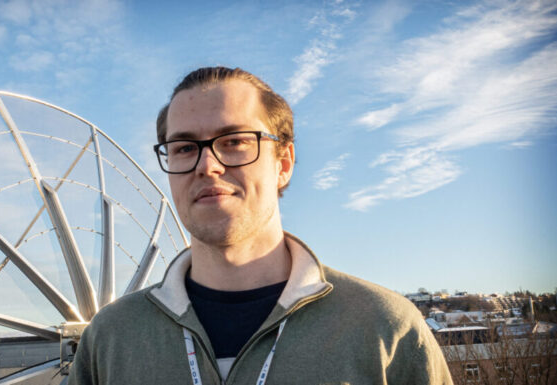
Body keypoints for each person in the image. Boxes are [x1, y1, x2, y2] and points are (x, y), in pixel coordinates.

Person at [69, 66, 452, 384]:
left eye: (234, 141)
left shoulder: (384, 329)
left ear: (283, 163)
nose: (208, 166)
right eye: (184, 148)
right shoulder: (111, 339)